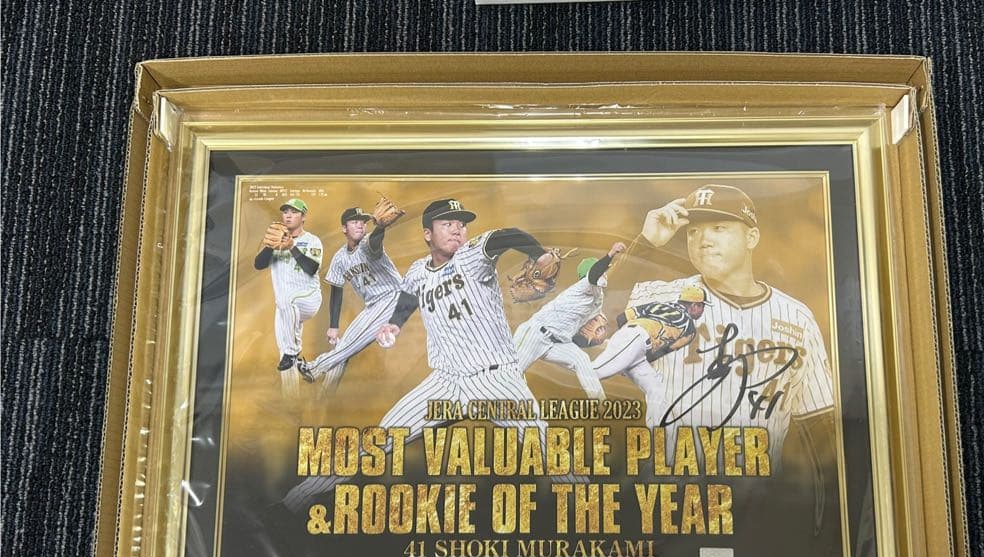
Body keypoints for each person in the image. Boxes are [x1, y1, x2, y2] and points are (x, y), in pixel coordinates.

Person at [283, 198, 564, 512]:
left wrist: (538, 253)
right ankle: (294, 501)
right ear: (427, 234)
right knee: (378, 440)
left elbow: (506, 235)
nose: (457, 230)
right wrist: (394, 324)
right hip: (445, 382)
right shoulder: (418, 271)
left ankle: (598, 526)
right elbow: (407, 299)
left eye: (461, 224)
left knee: (548, 449)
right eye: (448, 224)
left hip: (495, 379)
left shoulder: (473, 256)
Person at [625, 184, 835, 471]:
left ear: (752, 237)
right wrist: (645, 242)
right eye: (693, 231)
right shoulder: (662, 299)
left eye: (719, 228)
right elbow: (586, 318)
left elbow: (821, 432)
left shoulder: (797, 319)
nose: (703, 240)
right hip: (669, 491)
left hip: (757, 495)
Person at [296, 206, 402, 396]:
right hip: (373, 306)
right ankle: (324, 397)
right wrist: (333, 326)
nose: (361, 225)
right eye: (355, 222)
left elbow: (375, 242)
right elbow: (336, 291)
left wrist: (380, 228)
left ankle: (313, 368)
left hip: (394, 297)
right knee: (343, 347)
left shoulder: (368, 243)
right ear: (344, 228)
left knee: (349, 345)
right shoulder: (340, 258)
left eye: (363, 222)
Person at [512, 242, 626, 399]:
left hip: (558, 343)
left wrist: (610, 348)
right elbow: (594, 274)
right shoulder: (584, 286)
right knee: (511, 374)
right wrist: (611, 254)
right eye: (604, 270)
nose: (605, 272)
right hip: (535, 334)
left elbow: (583, 336)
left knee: (581, 359)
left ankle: (600, 404)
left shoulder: (597, 299)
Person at [592, 285, 706, 427]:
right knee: (596, 372)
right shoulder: (689, 329)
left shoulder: (657, 305)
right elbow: (666, 350)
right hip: (637, 338)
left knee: (656, 389)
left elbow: (622, 318)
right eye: (702, 306)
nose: (702, 310)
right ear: (694, 306)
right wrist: (626, 351)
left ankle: (656, 431)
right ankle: (570, 359)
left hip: (635, 344)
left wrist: (627, 353)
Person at [253, 198, 324, 397]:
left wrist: (292, 246)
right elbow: (258, 265)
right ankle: (292, 401)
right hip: (285, 307)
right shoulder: (276, 241)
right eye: (286, 212)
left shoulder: (312, 240)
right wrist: (271, 246)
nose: (288, 215)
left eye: (294, 212)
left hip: (309, 299)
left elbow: (312, 268)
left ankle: (293, 352)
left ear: (303, 217)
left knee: (287, 301)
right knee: (283, 353)